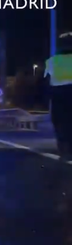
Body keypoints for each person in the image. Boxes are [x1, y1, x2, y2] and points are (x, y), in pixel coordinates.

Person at [44, 31, 72, 160]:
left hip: (58, 95)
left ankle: (64, 150)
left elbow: (46, 81)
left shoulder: (52, 61)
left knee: (60, 122)